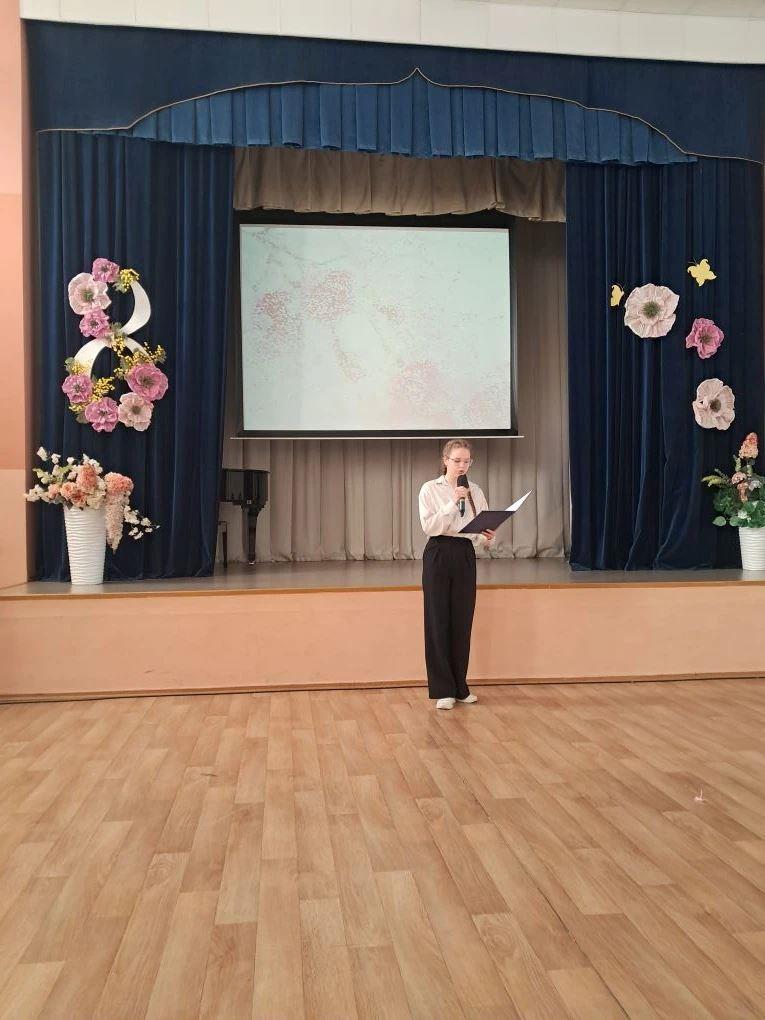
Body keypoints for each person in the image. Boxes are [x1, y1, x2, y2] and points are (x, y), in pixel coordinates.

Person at [418, 439, 495, 710]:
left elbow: (480, 532)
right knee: (438, 620)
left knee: (462, 620)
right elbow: (430, 527)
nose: (462, 466)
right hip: (438, 552)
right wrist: (453, 501)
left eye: (466, 461)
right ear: (445, 461)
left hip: (464, 553)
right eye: (457, 460)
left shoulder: (476, 490)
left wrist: (487, 536)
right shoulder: (430, 489)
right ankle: (443, 690)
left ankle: (460, 686)